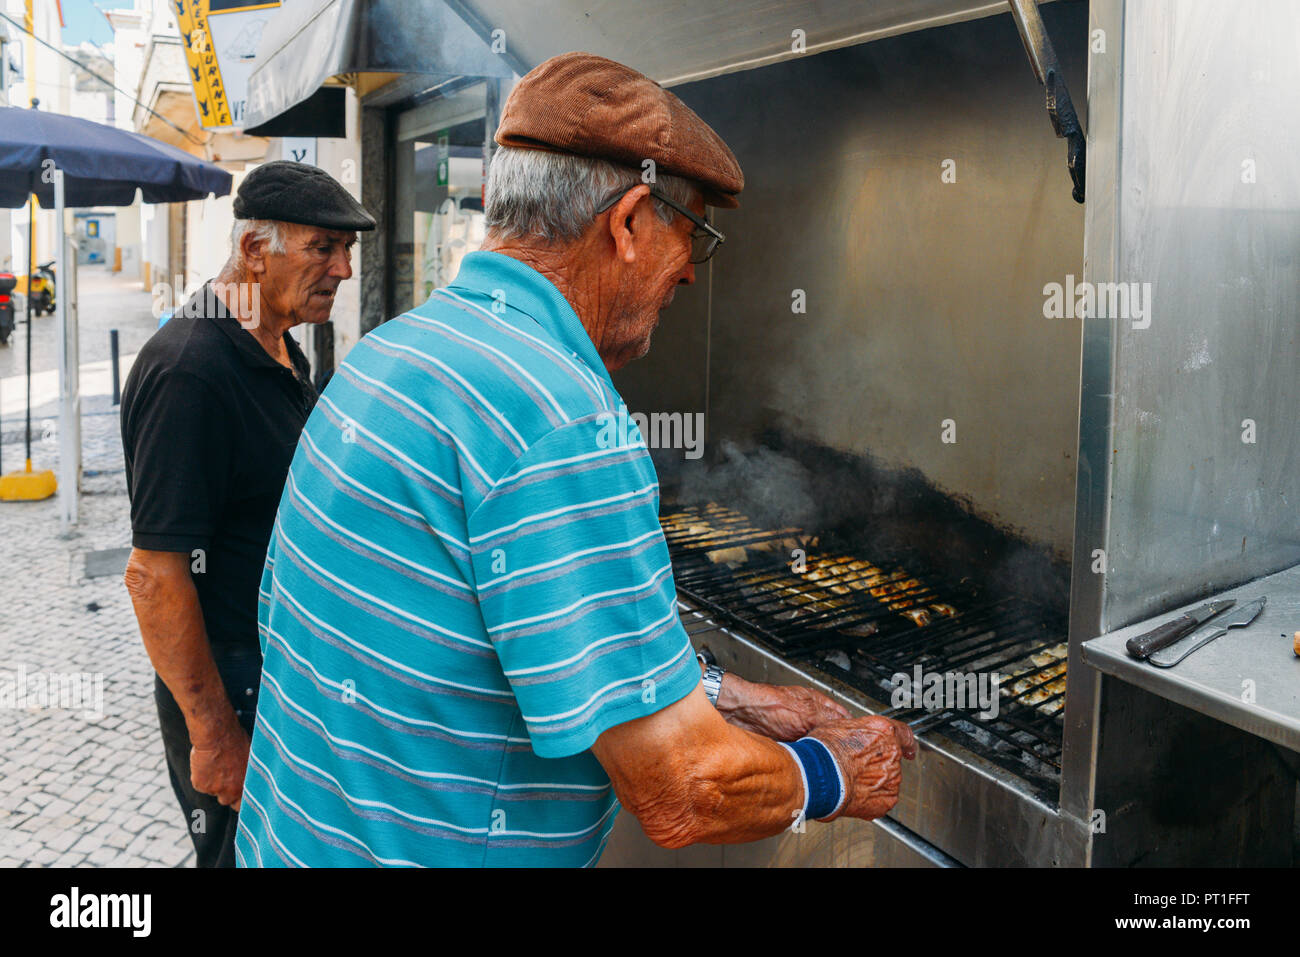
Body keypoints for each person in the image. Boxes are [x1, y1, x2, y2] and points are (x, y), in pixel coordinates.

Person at [235, 53, 914, 868]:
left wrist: (725, 696)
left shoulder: (391, 354)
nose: (692, 271)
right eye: (690, 230)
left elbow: (472, 633)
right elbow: (681, 788)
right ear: (628, 222)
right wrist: (832, 773)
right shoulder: (561, 420)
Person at [120, 162, 375, 867]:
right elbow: (153, 576)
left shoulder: (280, 345)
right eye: (324, 246)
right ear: (256, 250)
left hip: (279, 677)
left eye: (347, 250)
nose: (344, 269)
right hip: (231, 690)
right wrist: (213, 733)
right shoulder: (190, 369)